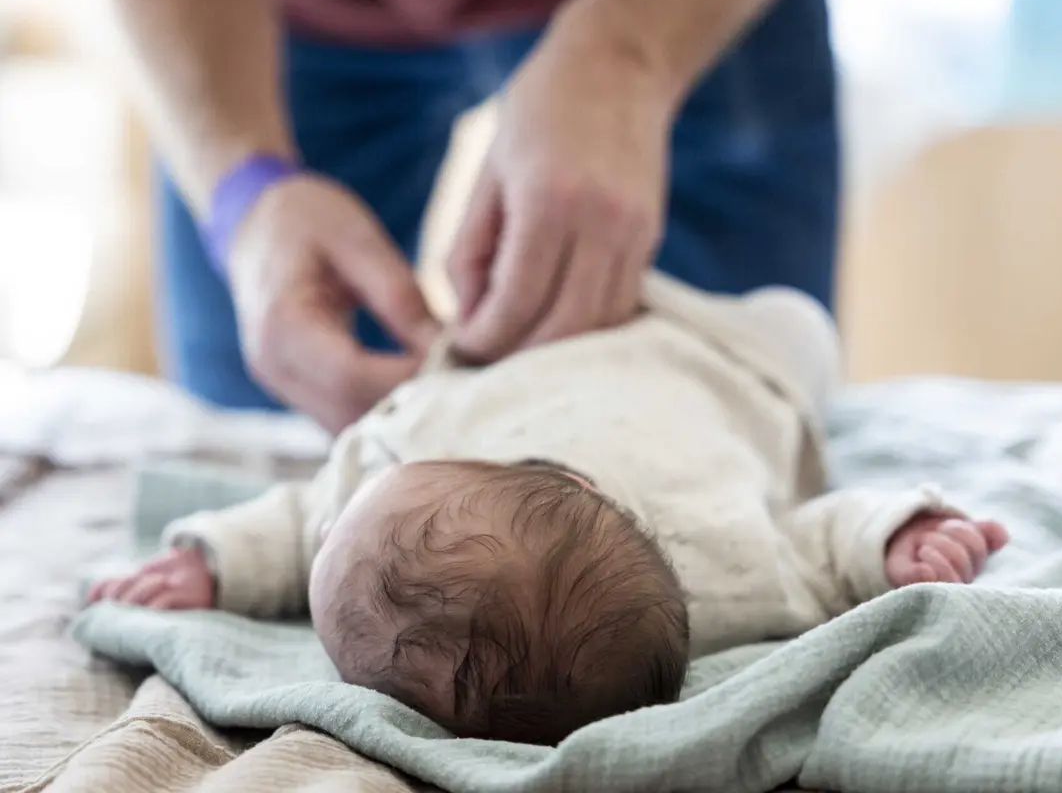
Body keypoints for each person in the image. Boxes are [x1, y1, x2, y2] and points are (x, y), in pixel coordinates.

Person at [88, 274, 1009, 745]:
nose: (326, 523)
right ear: (585, 492)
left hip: (540, 331)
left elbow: (298, 522)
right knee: (803, 321)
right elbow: (819, 546)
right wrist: (898, 538)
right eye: (332, 536)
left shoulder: (387, 462)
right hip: (734, 360)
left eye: (335, 528)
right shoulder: (721, 568)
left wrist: (217, 560)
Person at [103, 0, 842, 432]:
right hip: (275, 21)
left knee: (740, 414)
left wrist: (628, 53)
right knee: (264, 424)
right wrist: (245, 193)